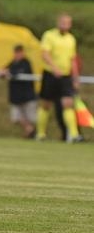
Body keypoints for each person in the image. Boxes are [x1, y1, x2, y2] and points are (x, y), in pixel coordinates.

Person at [36, 13, 82, 143]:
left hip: (65, 75)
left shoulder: (71, 39)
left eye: (67, 23)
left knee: (68, 103)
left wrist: (75, 76)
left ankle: (74, 135)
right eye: (63, 22)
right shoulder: (49, 35)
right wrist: (54, 67)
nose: (64, 25)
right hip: (51, 74)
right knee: (46, 104)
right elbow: (44, 53)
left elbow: (73, 59)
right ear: (58, 22)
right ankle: (40, 134)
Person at [0, 45, 37, 139]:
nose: (17, 54)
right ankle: (30, 131)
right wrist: (2, 71)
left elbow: (19, 72)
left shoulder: (26, 63)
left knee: (29, 117)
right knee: (16, 118)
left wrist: (8, 72)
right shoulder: (13, 63)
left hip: (27, 95)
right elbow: (6, 69)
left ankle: (30, 133)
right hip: (15, 96)